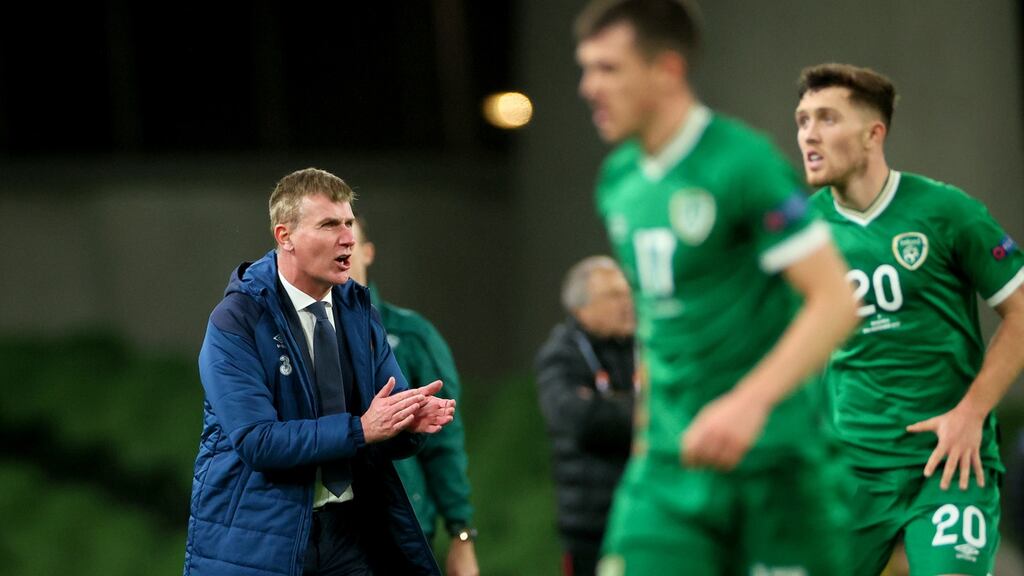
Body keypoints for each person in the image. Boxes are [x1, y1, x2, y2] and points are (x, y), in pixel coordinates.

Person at [573, 1, 861, 574]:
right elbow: (655, 322)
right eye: (586, 68)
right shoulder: (618, 182)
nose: (588, 86)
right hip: (669, 469)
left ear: (667, 70)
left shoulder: (744, 164)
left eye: (608, 68)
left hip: (775, 464)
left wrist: (747, 405)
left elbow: (835, 304)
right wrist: (644, 445)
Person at [795, 62, 1024, 576]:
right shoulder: (802, 232)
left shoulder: (948, 211)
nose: (808, 133)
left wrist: (971, 413)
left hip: (951, 463)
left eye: (827, 118)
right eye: (803, 120)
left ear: (873, 134)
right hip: (850, 467)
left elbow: (1021, 313)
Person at [183, 167, 455, 576]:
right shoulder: (236, 320)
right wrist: (361, 429)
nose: (348, 238)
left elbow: (381, 428)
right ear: (285, 236)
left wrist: (407, 423)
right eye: (329, 225)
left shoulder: (360, 313)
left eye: (348, 223)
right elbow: (257, 441)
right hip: (261, 540)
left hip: (350, 537)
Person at [347, 215, 480, 576]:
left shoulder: (412, 335)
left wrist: (462, 533)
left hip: (402, 528)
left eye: (350, 242)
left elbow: (444, 440)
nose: (341, 250)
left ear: (368, 252)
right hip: (328, 533)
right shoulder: (300, 333)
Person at [535, 255, 637, 576]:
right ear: (581, 308)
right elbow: (578, 420)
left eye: (628, 293)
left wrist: (609, 406)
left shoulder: (644, 346)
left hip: (647, 512)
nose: (627, 304)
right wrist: (642, 409)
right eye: (613, 296)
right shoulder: (561, 354)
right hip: (591, 527)